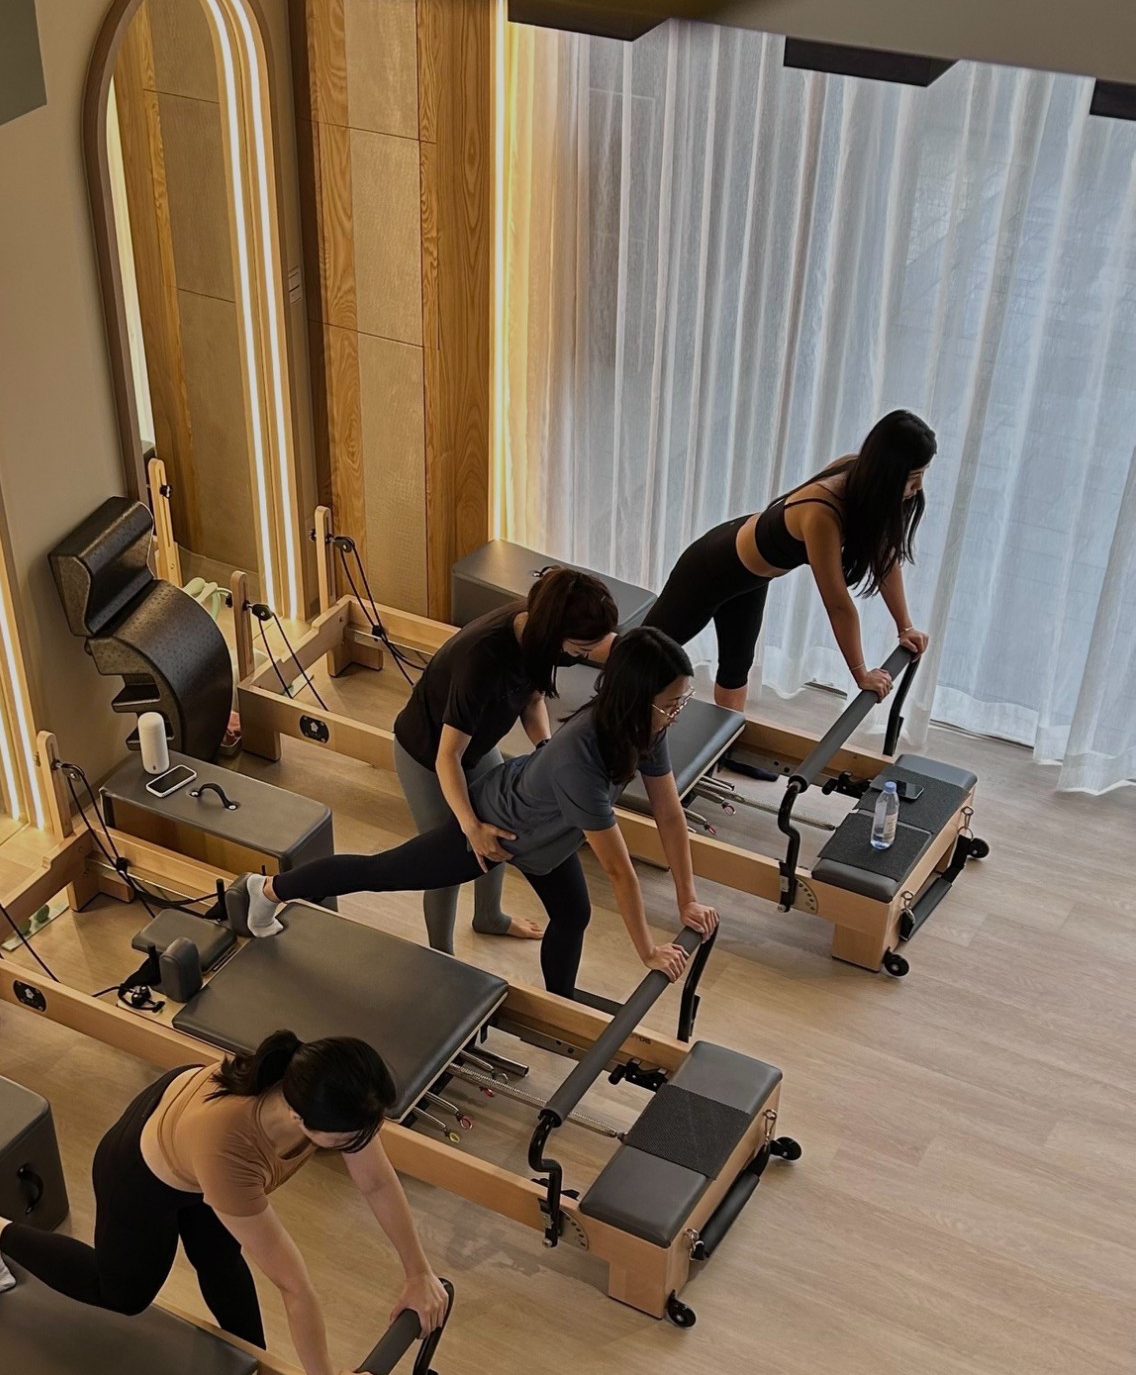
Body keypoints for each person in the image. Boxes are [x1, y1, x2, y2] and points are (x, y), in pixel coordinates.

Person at [0, 1034, 450, 1375]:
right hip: (142, 1172)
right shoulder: (229, 1149)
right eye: (350, 1138)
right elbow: (294, 1286)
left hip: (188, 1131)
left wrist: (418, 1273)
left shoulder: (324, 1089)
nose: (363, 1143)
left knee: (221, 1258)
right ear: (300, 1118)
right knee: (121, 1292)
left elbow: (376, 1184)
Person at [242, 627, 718, 999]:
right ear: (636, 698)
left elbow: (669, 813)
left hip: (545, 836)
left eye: (681, 701)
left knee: (573, 915)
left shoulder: (644, 728)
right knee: (380, 872)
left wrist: (687, 900)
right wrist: (647, 951)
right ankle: (266, 889)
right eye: (671, 704)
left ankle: (561, 1004)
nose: (676, 713)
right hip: (495, 828)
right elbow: (619, 871)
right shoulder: (582, 759)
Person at [644, 409, 937, 712]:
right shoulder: (822, 513)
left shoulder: (863, 484)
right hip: (710, 570)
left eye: (923, 474)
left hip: (750, 579)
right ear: (887, 473)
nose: (919, 487)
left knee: (736, 670)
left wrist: (905, 627)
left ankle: (729, 737)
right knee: (642, 656)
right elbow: (838, 605)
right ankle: (605, 671)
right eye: (913, 477)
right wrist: (861, 675)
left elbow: (885, 557)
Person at [392, 566, 620, 955]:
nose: (585, 656)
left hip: (476, 747)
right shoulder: (483, 656)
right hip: (428, 755)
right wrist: (470, 826)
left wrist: (547, 749)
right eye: (582, 649)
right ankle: (440, 958)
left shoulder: (541, 635)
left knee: (499, 833)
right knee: (447, 863)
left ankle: (489, 917)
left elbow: (532, 700)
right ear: (557, 631)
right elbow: (448, 756)